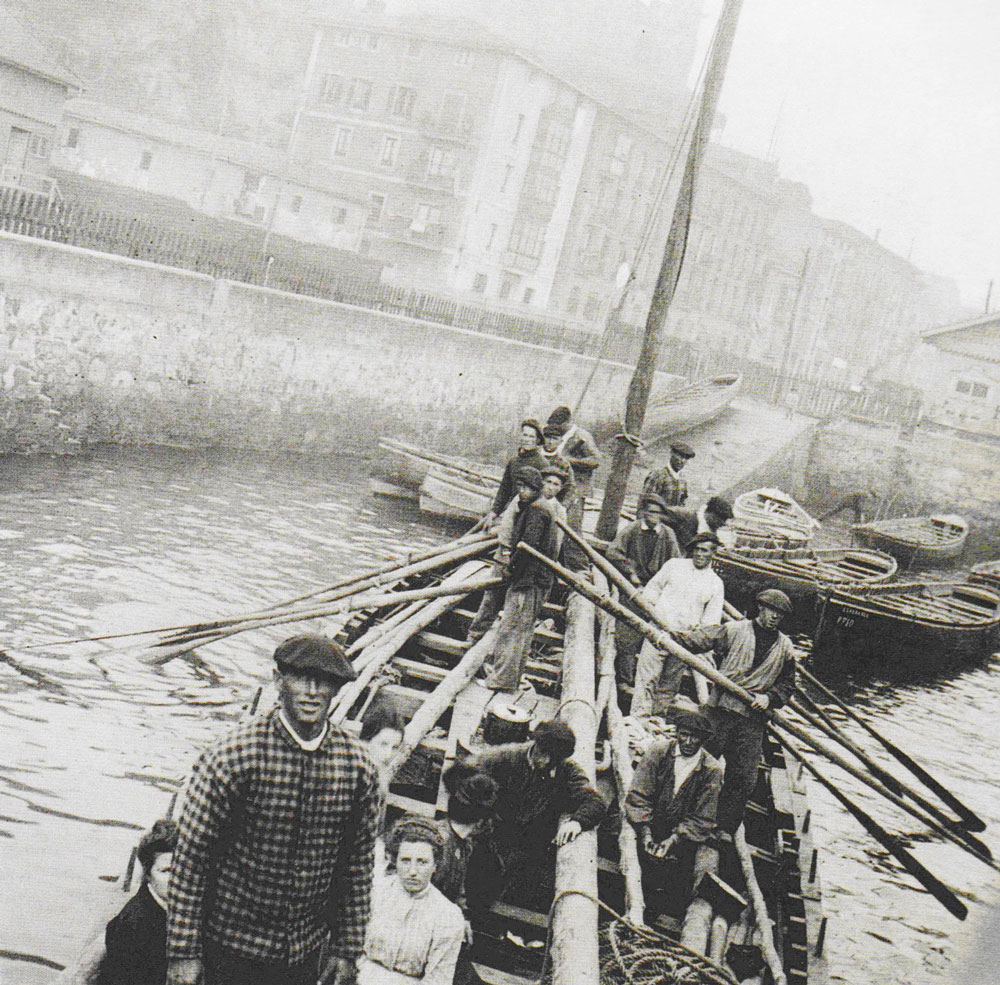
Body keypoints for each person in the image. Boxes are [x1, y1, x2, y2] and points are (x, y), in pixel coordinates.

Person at [166, 634, 380, 985]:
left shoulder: (357, 767)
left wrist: (346, 948)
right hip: (229, 947)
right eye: (301, 679)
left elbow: (357, 864)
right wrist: (184, 952)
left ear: (337, 689)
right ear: (278, 680)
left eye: (324, 682)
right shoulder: (233, 756)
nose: (312, 692)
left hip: (304, 952)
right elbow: (191, 859)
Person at [458, 719, 605, 917]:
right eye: (543, 754)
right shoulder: (505, 758)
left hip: (527, 842)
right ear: (535, 745)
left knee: (524, 886)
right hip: (491, 831)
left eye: (552, 758)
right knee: (476, 875)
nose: (545, 761)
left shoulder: (565, 769)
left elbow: (595, 801)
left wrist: (577, 822)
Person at [706, 589, 797, 835]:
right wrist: (667, 636)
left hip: (752, 720)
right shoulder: (734, 630)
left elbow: (788, 685)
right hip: (720, 710)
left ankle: (723, 830)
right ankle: (690, 814)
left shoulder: (785, 647)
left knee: (744, 779)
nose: (774, 617)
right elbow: (703, 639)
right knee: (701, 762)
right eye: (771, 610)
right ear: (760, 608)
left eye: (780, 614)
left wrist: (770, 698)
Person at [625, 705, 723, 917]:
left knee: (677, 880)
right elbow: (639, 795)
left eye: (695, 738)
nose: (688, 742)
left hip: (685, 836)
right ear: (676, 733)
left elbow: (703, 818)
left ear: (703, 740)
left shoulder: (712, 770)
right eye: (684, 735)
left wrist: (674, 839)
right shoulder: (658, 752)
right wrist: (646, 833)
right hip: (649, 824)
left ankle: (665, 909)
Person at [475, 467, 558, 692]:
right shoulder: (537, 507)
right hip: (535, 579)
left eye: (528, 488)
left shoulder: (537, 511)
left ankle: (500, 681)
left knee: (510, 630)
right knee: (522, 630)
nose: (523, 491)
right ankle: (512, 678)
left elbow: (527, 548)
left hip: (529, 580)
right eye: (520, 486)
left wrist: (510, 570)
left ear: (537, 489)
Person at [359, 817, 465, 985]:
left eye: (422, 862)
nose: (413, 871)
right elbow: (350, 949)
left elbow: (439, 979)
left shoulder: (448, 916)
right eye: (405, 860)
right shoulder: (373, 893)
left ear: (435, 865)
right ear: (395, 860)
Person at [631, 532, 725, 719]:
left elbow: (711, 621)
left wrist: (696, 640)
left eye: (705, 551)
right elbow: (653, 588)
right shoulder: (674, 566)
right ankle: (638, 719)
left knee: (669, 683)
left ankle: (656, 720)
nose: (700, 554)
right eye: (697, 549)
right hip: (658, 631)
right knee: (647, 678)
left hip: (684, 639)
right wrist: (652, 610)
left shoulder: (715, 583)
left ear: (713, 554)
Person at [607, 493, 681, 685]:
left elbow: (676, 563)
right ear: (643, 513)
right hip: (632, 589)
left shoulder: (668, 535)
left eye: (657, 513)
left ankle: (647, 681)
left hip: (657, 592)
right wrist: (631, 573)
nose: (653, 516)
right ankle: (625, 680)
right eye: (650, 512)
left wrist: (663, 586)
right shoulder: (632, 529)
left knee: (656, 635)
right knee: (627, 633)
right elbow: (613, 552)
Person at [95, 819, 177, 985]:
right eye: (166, 871)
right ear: (147, 875)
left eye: (182, 870)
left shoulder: (168, 908)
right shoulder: (134, 926)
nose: (175, 879)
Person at [486, 419, 546, 525]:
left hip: (529, 515)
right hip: (511, 510)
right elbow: (504, 489)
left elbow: (542, 495)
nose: (526, 439)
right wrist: (494, 512)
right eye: (525, 435)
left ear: (537, 440)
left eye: (531, 437)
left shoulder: (542, 464)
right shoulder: (514, 461)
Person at [546, 405, 601, 499]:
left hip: (577, 488)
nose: (556, 428)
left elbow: (596, 460)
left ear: (567, 422)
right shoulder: (559, 435)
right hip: (560, 487)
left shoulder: (582, 436)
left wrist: (571, 460)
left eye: (559, 425)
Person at [661, 496, 734, 550]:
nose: (723, 524)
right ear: (712, 514)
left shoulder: (712, 528)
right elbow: (660, 512)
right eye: (722, 519)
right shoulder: (685, 516)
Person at [642, 440, 695, 507]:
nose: (682, 461)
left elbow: (682, 503)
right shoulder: (657, 475)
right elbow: (645, 502)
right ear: (672, 453)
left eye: (686, 458)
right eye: (680, 456)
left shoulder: (682, 480)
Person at [539, 465, 568, 557]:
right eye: (548, 482)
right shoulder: (529, 499)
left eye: (556, 484)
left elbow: (557, 540)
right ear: (542, 482)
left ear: (560, 488)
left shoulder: (560, 511)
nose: (550, 487)